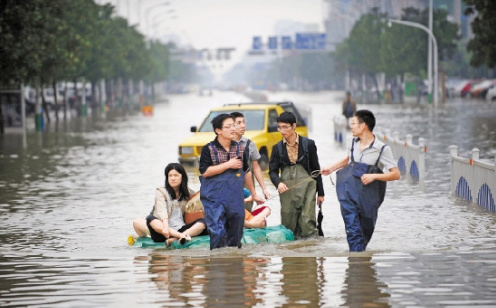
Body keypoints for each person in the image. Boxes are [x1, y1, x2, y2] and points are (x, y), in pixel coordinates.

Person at [321, 109, 400, 252]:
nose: (351, 126)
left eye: (353, 123)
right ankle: (356, 264)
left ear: (363, 125)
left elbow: (396, 174)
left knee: (364, 232)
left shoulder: (382, 149)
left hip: (368, 200)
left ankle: (360, 265)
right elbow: (348, 160)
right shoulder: (352, 144)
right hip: (349, 195)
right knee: (352, 229)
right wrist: (331, 168)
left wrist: (374, 176)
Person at [199, 113, 264, 250]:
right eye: (228, 126)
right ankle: (218, 265)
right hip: (214, 198)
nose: (233, 129)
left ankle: (233, 266)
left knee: (236, 231)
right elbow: (205, 172)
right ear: (218, 130)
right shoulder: (208, 149)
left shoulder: (240, 148)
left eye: (233, 125)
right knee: (217, 232)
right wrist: (228, 164)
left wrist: (254, 193)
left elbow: (246, 172)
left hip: (235, 197)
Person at [268, 111, 325, 238]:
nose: (282, 130)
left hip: (308, 190)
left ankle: (310, 254)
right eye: (279, 127)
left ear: (294, 126)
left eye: (285, 127)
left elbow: (316, 170)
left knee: (307, 222)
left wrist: (321, 193)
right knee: (288, 225)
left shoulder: (308, 144)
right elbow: (272, 171)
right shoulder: (277, 148)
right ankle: (291, 255)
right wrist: (278, 183)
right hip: (287, 191)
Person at [132, 163, 208, 246]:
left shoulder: (188, 193)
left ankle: (175, 239)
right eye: (170, 176)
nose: (172, 178)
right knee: (148, 219)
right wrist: (165, 228)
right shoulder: (161, 192)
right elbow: (162, 212)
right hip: (163, 231)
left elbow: (198, 205)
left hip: (181, 228)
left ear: (182, 177)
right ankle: (180, 236)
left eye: (176, 175)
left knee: (204, 222)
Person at [231, 111, 271, 208]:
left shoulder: (249, 144)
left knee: (246, 216)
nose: (243, 126)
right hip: (229, 189)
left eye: (244, 122)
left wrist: (264, 189)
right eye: (239, 123)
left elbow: (256, 168)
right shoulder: (224, 144)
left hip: (247, 190)